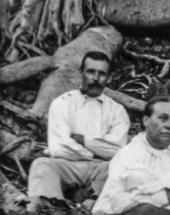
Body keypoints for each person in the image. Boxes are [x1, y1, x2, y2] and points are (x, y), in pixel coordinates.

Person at [28, 51, 129, 205]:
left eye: (102, 74)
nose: (96, 78)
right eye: (91, 72)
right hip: (68, 166)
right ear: (81, 73)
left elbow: (117, 151)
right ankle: (52, 212)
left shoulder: (117, 111)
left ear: (108, 78)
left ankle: (94, 208)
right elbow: (58, 148)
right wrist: (94, 151)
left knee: (121, 169)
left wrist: (83, 141)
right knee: (41, 165)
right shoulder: (62, 103)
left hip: (102, 168)